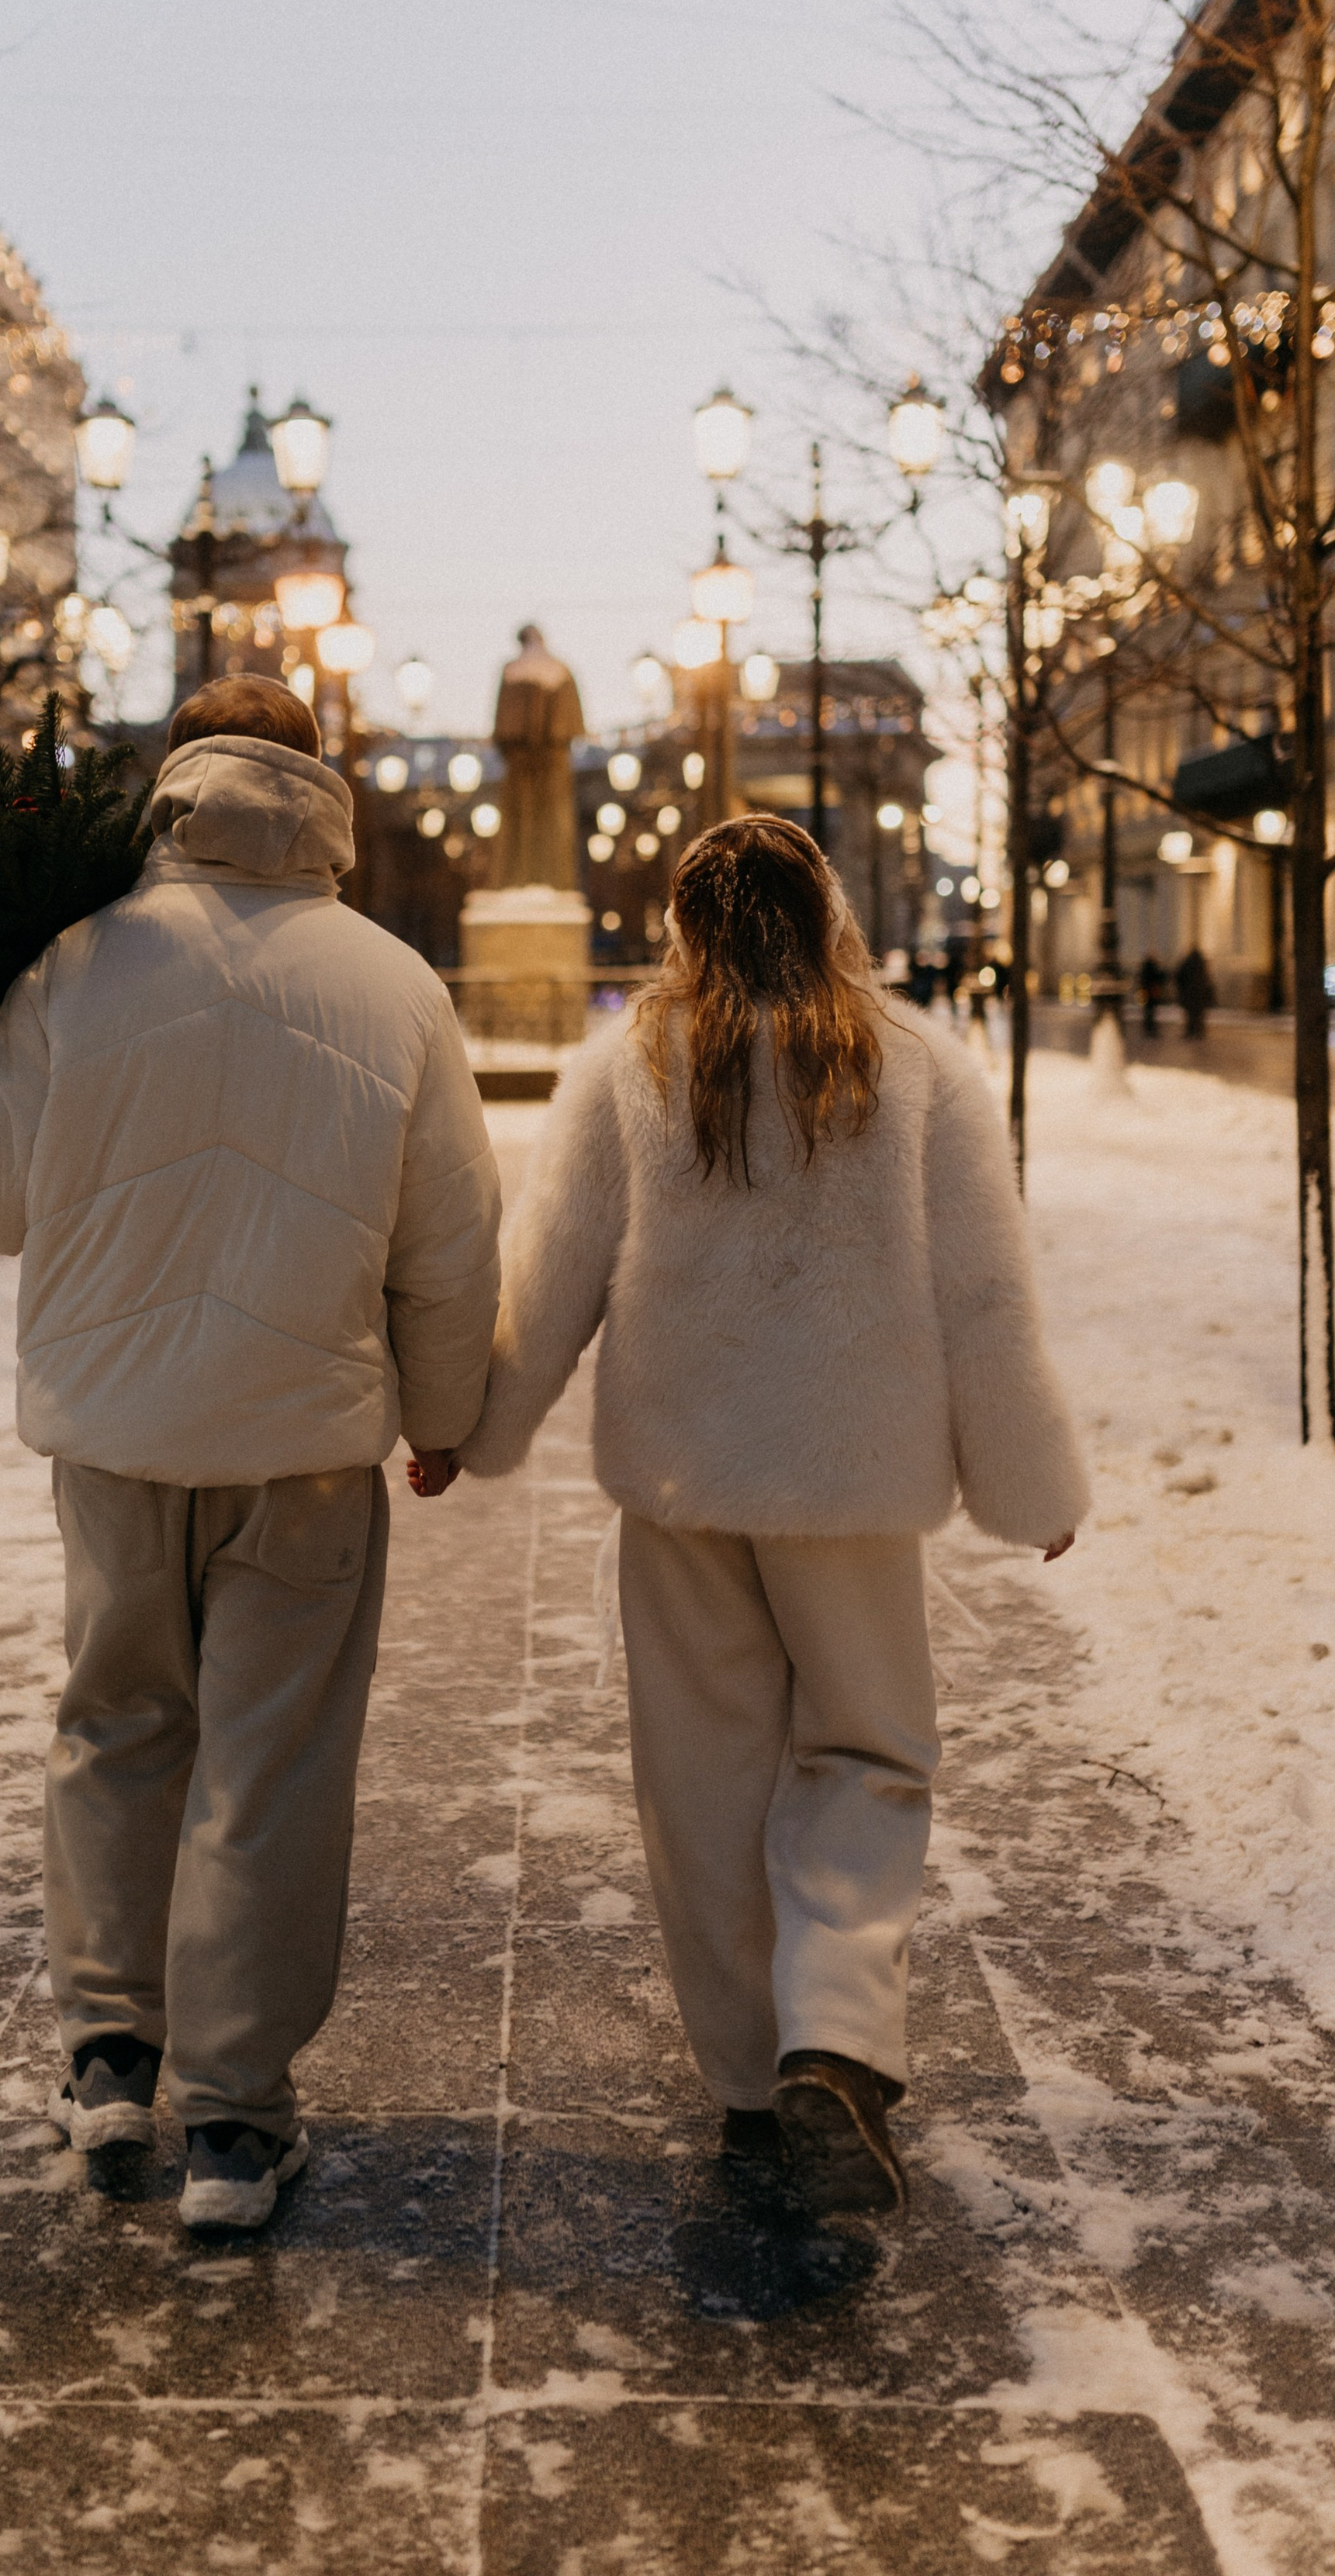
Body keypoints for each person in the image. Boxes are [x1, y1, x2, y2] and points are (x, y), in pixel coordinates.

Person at [0, 676, 501, 2232]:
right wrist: (443, 1415)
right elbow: (450, 1246)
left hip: (112, 1437)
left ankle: (111, 2056)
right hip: (301, 1444)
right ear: (322, 793)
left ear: (173, 783)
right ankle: (236, 2130)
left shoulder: (70, 966)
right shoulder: (393, 987)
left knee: (113, 1726)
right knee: (269, 1765)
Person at [458, 816, 1086, 2225]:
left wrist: (475, 1432)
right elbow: (986, 1302)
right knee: (867, 1754)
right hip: (855, 1484)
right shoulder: (917, 1068)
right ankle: (838, 2041)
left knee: (700, 1776)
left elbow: (548, 1281)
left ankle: (750, 2073)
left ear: (685, 925)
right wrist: (1033, 1485)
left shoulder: (628, 1069)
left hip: (682, 1480)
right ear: (830, 913)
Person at [1174, 944, 1216, 1041]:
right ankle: (1199, 1031)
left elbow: (1179, 976)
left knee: (1191, 1014)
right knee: (1199, 1014)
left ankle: (1191, 1031)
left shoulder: (1187, 962)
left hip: (1190, 993)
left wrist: (1182, 989)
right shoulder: (1201, 964)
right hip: (1199, 995)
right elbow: (1207, 980)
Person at [1136, 953, 1167, 1039]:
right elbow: (1160, 978)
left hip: (1146, 992)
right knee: (1150, 1012)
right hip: (1151, 992)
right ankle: (1150, 1029)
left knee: (1148, 1011)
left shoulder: (1145, 968)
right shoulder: (1153, 968)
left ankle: (1148, 1028)